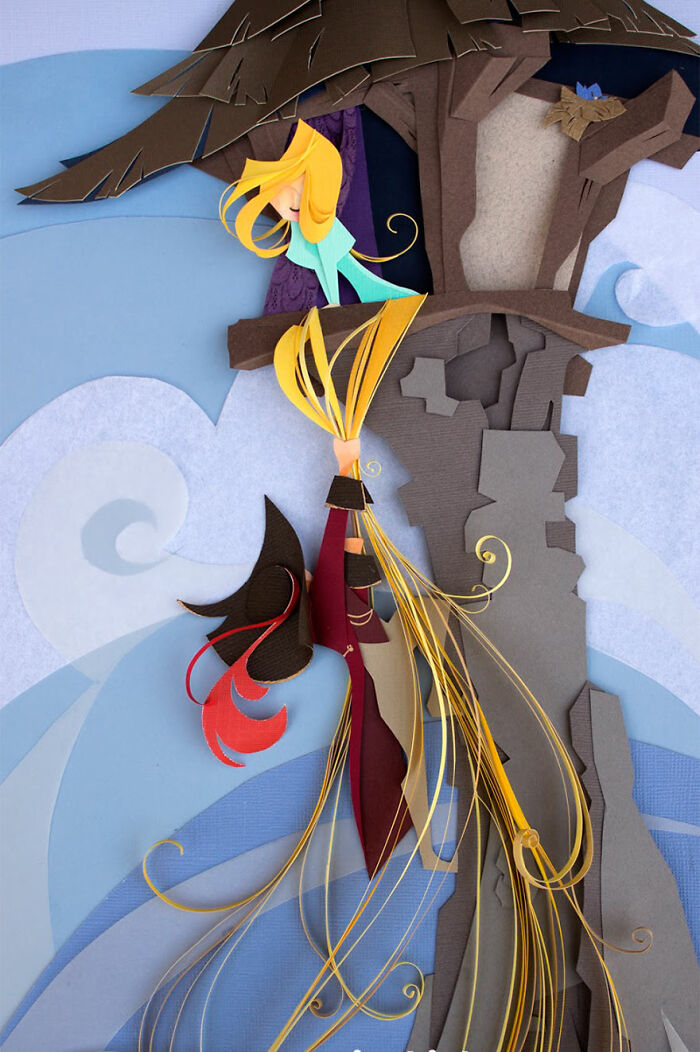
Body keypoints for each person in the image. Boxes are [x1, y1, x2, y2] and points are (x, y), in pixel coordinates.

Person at [220, 119, 419, 306]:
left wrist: (334, 302)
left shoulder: (318, 224)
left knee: (359, 278)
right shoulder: (300, 224)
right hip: (317, 232)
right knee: (358, 278)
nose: (293, 201)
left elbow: (328, 265)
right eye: (280, 193)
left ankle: (397, 300)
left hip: (323, 231)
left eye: (302, 194)